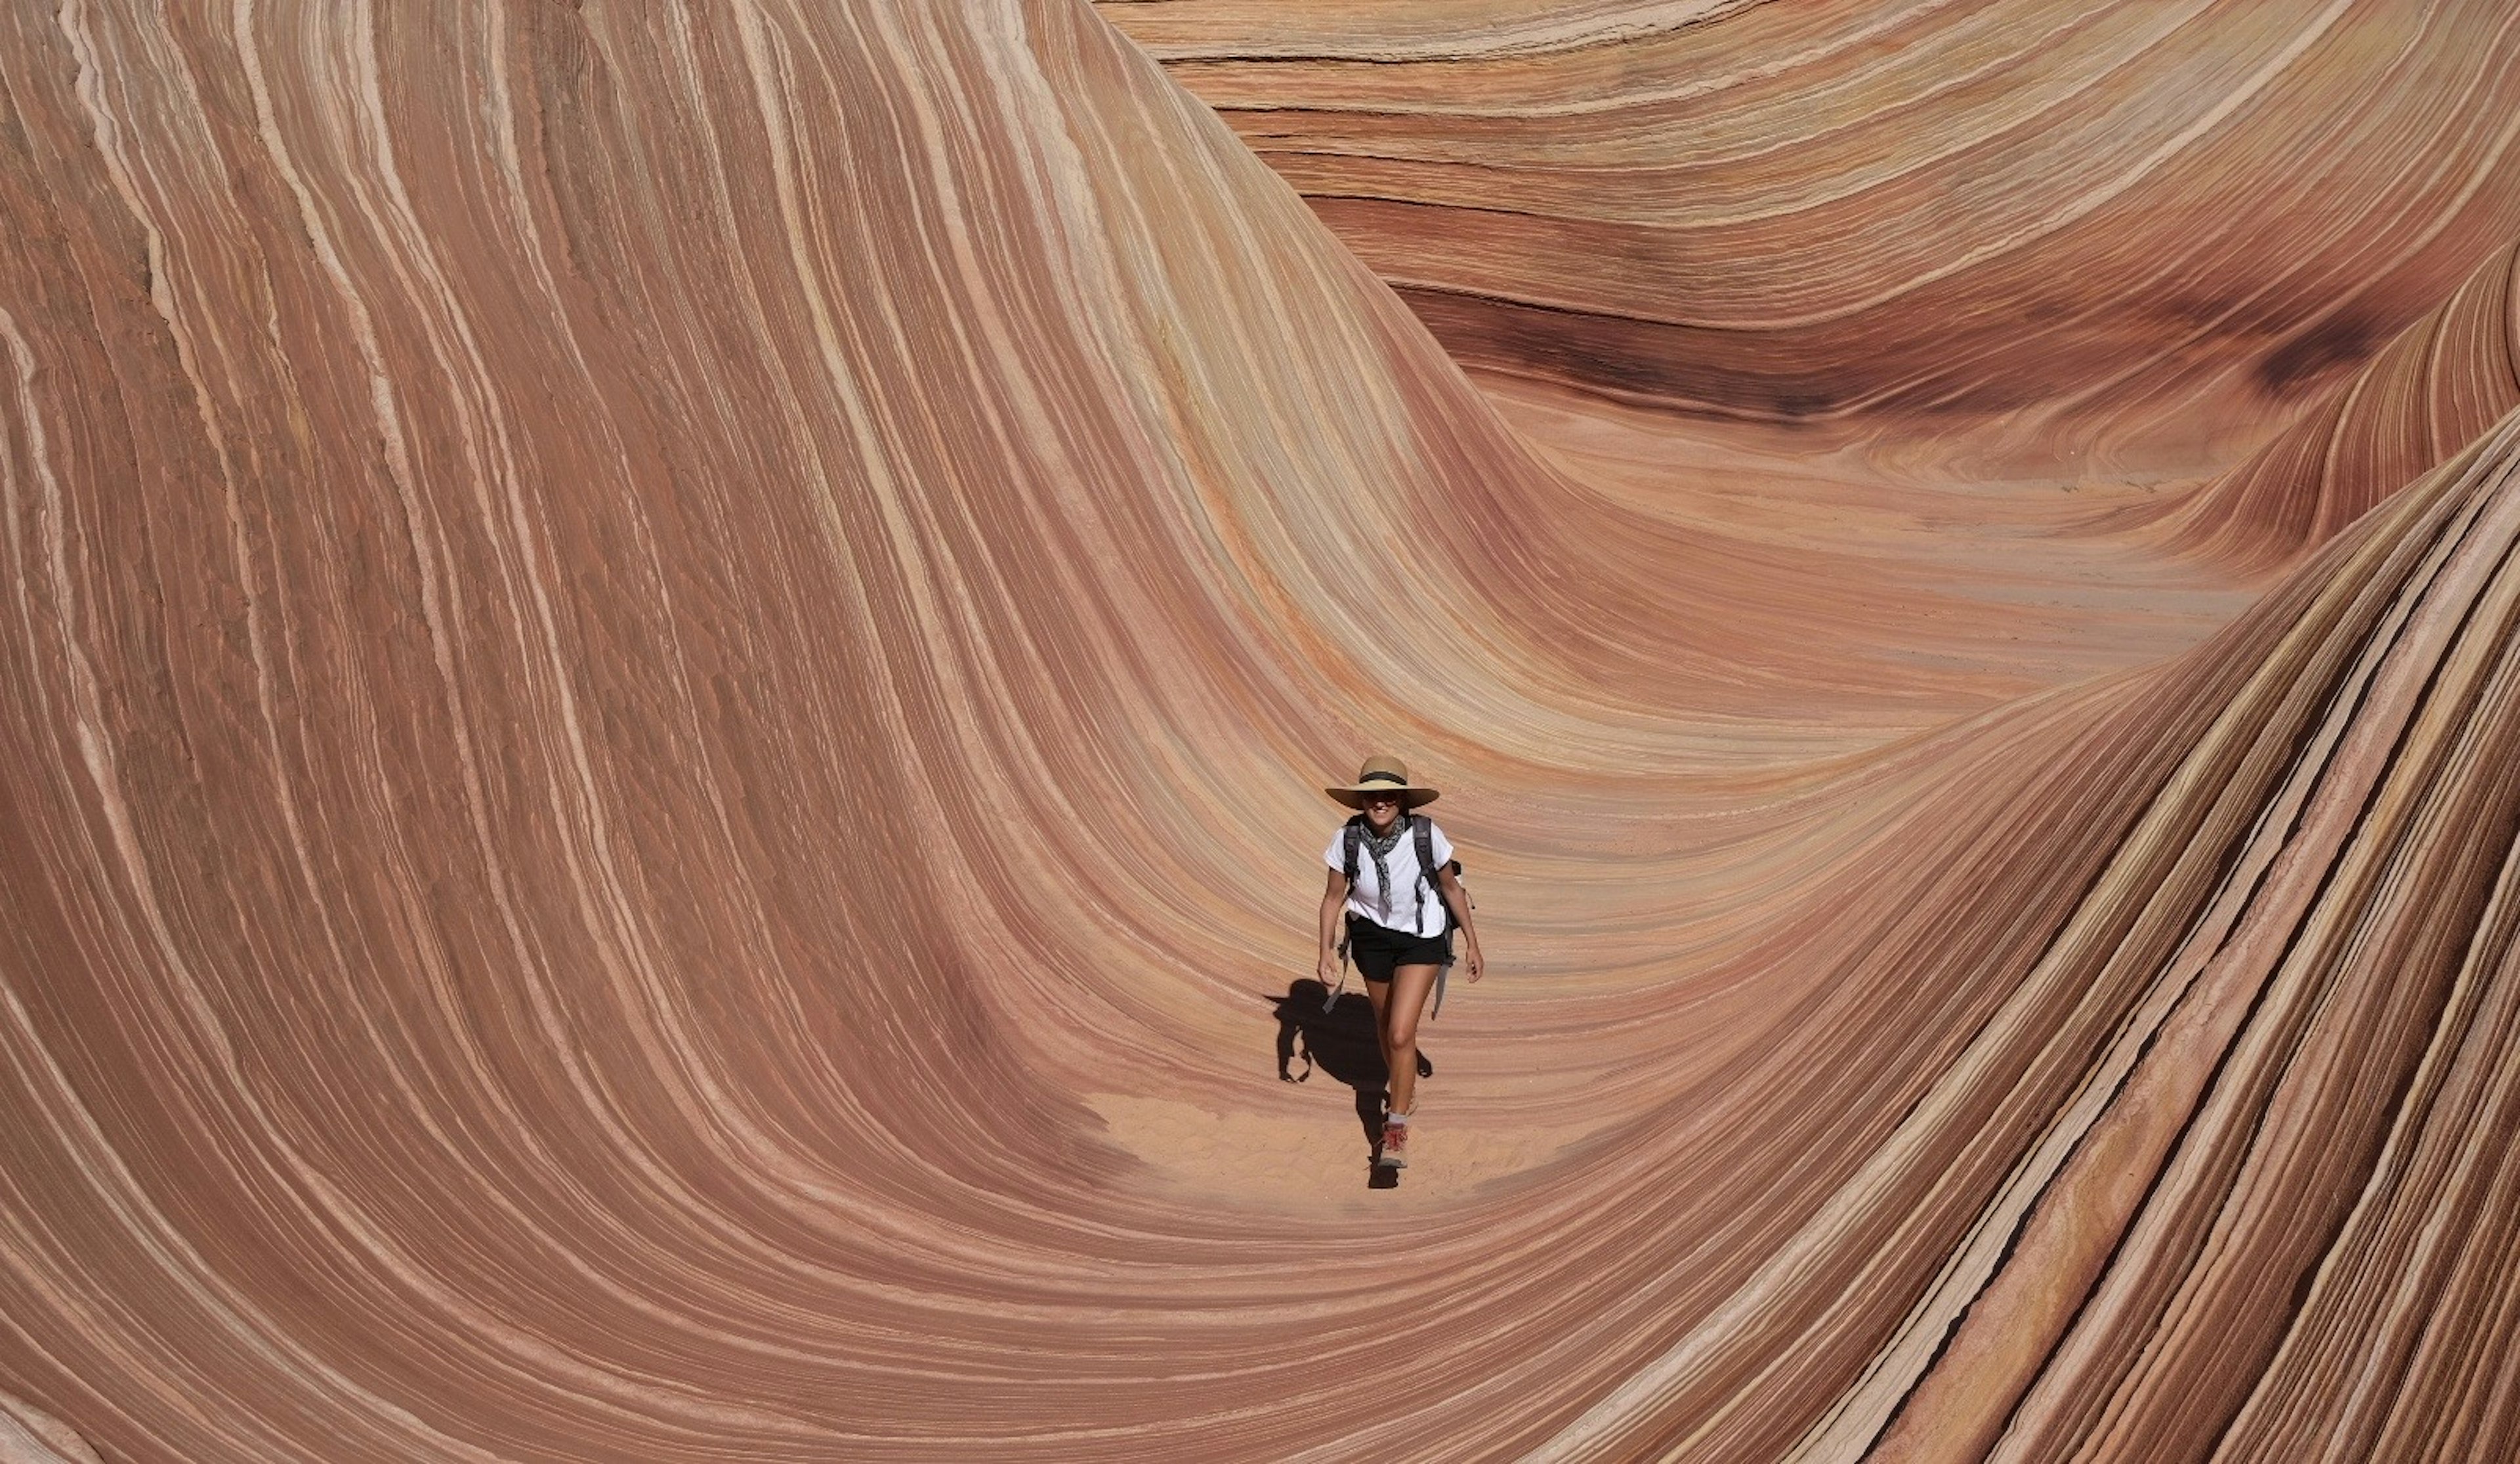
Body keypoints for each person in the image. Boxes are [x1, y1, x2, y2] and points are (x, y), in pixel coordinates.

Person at [1316, 757, 1483, 1169]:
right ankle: (1405, 1087)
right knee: (1384, 1023)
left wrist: (1475, 945)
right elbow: (1333, 898)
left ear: (1403, 800)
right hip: (1372, 938)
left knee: (1399, 1033)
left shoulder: (1426, 835)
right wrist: (1324, 950)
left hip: (1421, 939)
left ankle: (1395, 1131)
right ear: (1362, 800)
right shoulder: (1347, 838)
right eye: (1373, 795)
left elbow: (1450, 887)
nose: (1381, 802)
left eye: (1389, 795)